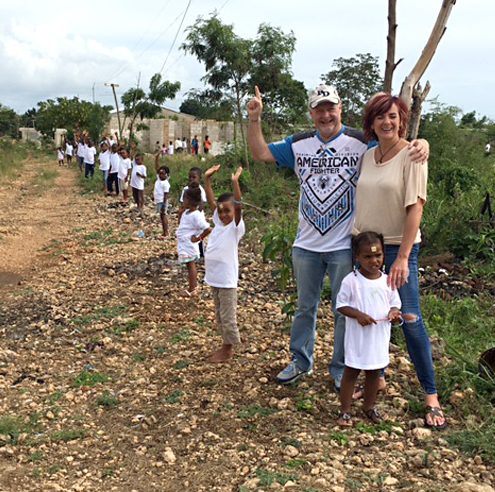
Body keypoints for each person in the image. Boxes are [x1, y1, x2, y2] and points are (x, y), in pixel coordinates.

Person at [245, 84, 429, 391]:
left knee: (344, 309)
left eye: (331, 108)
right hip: (305, 245)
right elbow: (260, 152)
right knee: (305, 306)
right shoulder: (299, 144)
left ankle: (342, 368)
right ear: (312, 114)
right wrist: (254, 119)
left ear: (340, 109)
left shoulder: (361, 142)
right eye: (319, 109)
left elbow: (395, 143)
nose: (326, 114)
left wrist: (422, 143)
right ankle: (300, 361)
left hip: (346, 246)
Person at [354, 92, 447, 430]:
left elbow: (416, 208)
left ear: (402, 119)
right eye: (380, 116)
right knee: (375, 316)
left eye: (392, 116)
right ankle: (375, 378)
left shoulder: (413, 155)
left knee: (409, 318)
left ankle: (431, 395)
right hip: (364, 249)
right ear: (371, 123)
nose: (386, 122)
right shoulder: (367, 156)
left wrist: (403, 257)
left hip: (395, 249)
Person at [336, 231, 402, 427]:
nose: (374, 260)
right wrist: (358, 315)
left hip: (378, 338)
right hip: (358, 339)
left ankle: (369, 407)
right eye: (368, 256)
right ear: (356, 257)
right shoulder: (351, 280)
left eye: (378, 255)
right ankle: (345, 410)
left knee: (374, 373)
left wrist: (394, 313)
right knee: (351, 372)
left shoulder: (387, 280)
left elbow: (395, 304)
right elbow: (341, 305)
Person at [203, 164, 246, 363]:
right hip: (215, 279)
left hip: (227, 281)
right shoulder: (219, 223)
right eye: (220, 212)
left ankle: (228, 350)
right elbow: (212, 202)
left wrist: (235, 183)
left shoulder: (236, 227)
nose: (223, 215)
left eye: (227, 211)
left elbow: (238, 205)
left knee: (228, 318)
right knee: (220, 316)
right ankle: (224, 345)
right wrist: (207, 180)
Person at [176, 184, 211, 297]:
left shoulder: (196, 215)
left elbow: (207, 228)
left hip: (189, 245)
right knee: (189, 265)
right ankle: (192, 287)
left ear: (189, 200)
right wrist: (180, 213)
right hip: (184, 244)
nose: (183, 202)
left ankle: (192, 289)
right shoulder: (187, 212)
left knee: (191, 265)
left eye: (184, 199)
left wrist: (198, 238)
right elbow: (181, 224)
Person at [154, 152, 171, 238]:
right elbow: (157, 168)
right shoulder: (159, 179)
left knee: (163, 216)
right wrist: (156, 158)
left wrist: (164, 205)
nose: (160, 175)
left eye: (162, 174)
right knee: (161, 216)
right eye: (160, 173)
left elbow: (166, 195)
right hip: (159, 201)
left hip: (162, 201)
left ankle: (166, 233)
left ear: (167, 175)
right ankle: (165, 232)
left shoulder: (165, 183)